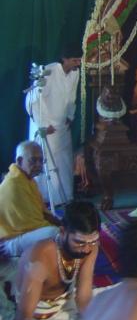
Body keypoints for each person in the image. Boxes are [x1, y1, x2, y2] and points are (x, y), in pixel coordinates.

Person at [9, 201, 100, 320]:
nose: (87, 249)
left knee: (120, 306)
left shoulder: (91, 248)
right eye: (79, 242)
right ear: (63, 232)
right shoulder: (40, 256)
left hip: (68, 304)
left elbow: (83, 297)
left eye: (92, 241)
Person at [25, 46, 82, 206]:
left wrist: (70, 116)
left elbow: (72, 97)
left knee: (63, 160)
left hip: (62, 125)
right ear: (64, 59)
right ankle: (43, 199)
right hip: (46, 124)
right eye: (74, 60)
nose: (77, 63)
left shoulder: (75, 73)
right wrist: (43, 125)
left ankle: (64, 197)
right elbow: (34, 101)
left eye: (79, 60)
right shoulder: (49, 71)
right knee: (45, 162)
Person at [0, 141, 60, 259]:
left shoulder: (26, 178)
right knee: (55, 234)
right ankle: (10, 250)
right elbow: (33, 225)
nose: (38, 165)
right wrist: (61, 229)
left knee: (64, 227)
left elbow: (42, 211)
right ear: (20, 160)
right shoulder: (15, 185)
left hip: (24, 230)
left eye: (40, 160)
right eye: (33, 160)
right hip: (9, 240)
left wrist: (62, 223)